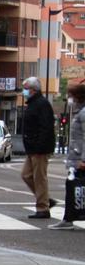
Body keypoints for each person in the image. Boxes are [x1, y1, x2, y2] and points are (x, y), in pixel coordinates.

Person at [20, 77, 56, 219]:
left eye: (26, 88)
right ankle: (45, 200)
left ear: (33, 90)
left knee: (39, 178)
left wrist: (39, 146)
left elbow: (46, 127)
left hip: (39, 149)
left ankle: (43, 207)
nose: (24, 91)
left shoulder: (41, 104)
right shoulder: (34, 103)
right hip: (33, 148)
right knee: (26, 175)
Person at [50, 82, 85, 230]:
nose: (69, 98)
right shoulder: (80, 111)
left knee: (73, 187)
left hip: (80, 158)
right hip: (77, 157)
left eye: (70, 95)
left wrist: (83, 159)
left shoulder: (83, 113)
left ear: (78, 96)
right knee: (72, 187)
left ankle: (68, 219)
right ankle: (68, 218)